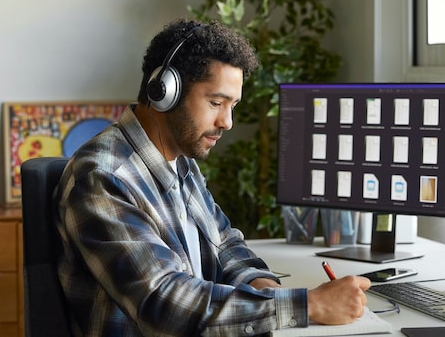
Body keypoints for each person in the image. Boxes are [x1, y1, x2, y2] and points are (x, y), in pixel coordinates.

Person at [54, 18, 371, 336]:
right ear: (165, 92)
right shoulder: (103, 179)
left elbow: (224, 244)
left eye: (232, 105)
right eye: (216, 102)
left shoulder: (179, 161)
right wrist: (309, 306)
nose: (227, 122)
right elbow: (163, 301)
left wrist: (265, 290)